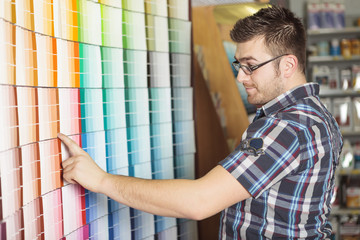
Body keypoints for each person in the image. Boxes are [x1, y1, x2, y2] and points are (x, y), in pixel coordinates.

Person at [59, 5, 343, 239]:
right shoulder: (316, 114)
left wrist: (101, 180)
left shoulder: (288, 127)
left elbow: (199, 202)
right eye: (239, 65)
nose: (241, 77)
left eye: (250, 66)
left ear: (288, 65)